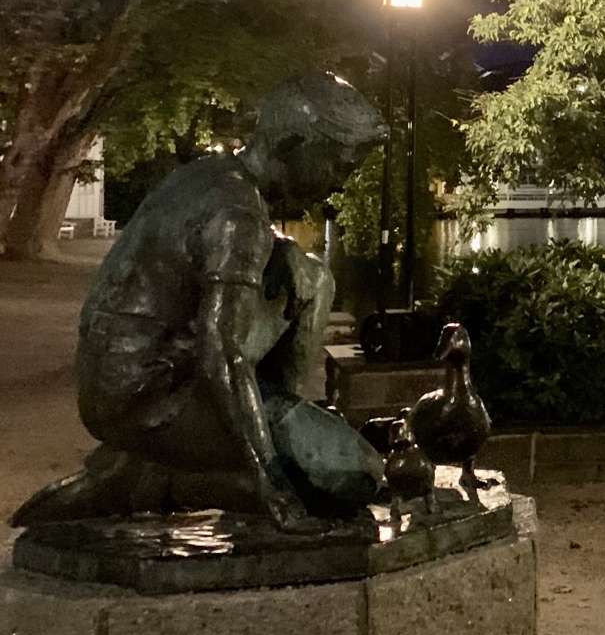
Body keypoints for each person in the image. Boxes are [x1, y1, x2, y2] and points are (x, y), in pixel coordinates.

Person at [11, 72, 389, 530]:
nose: (340, 185)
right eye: (339, 167)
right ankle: (153, 481)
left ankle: (275, 424)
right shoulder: (238, 216)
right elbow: (222, 354)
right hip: (149, 400)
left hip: (124, 380)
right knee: (356, 475)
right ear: (292, 146)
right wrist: (270, 478)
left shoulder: (211, 176)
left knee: (307, 274)